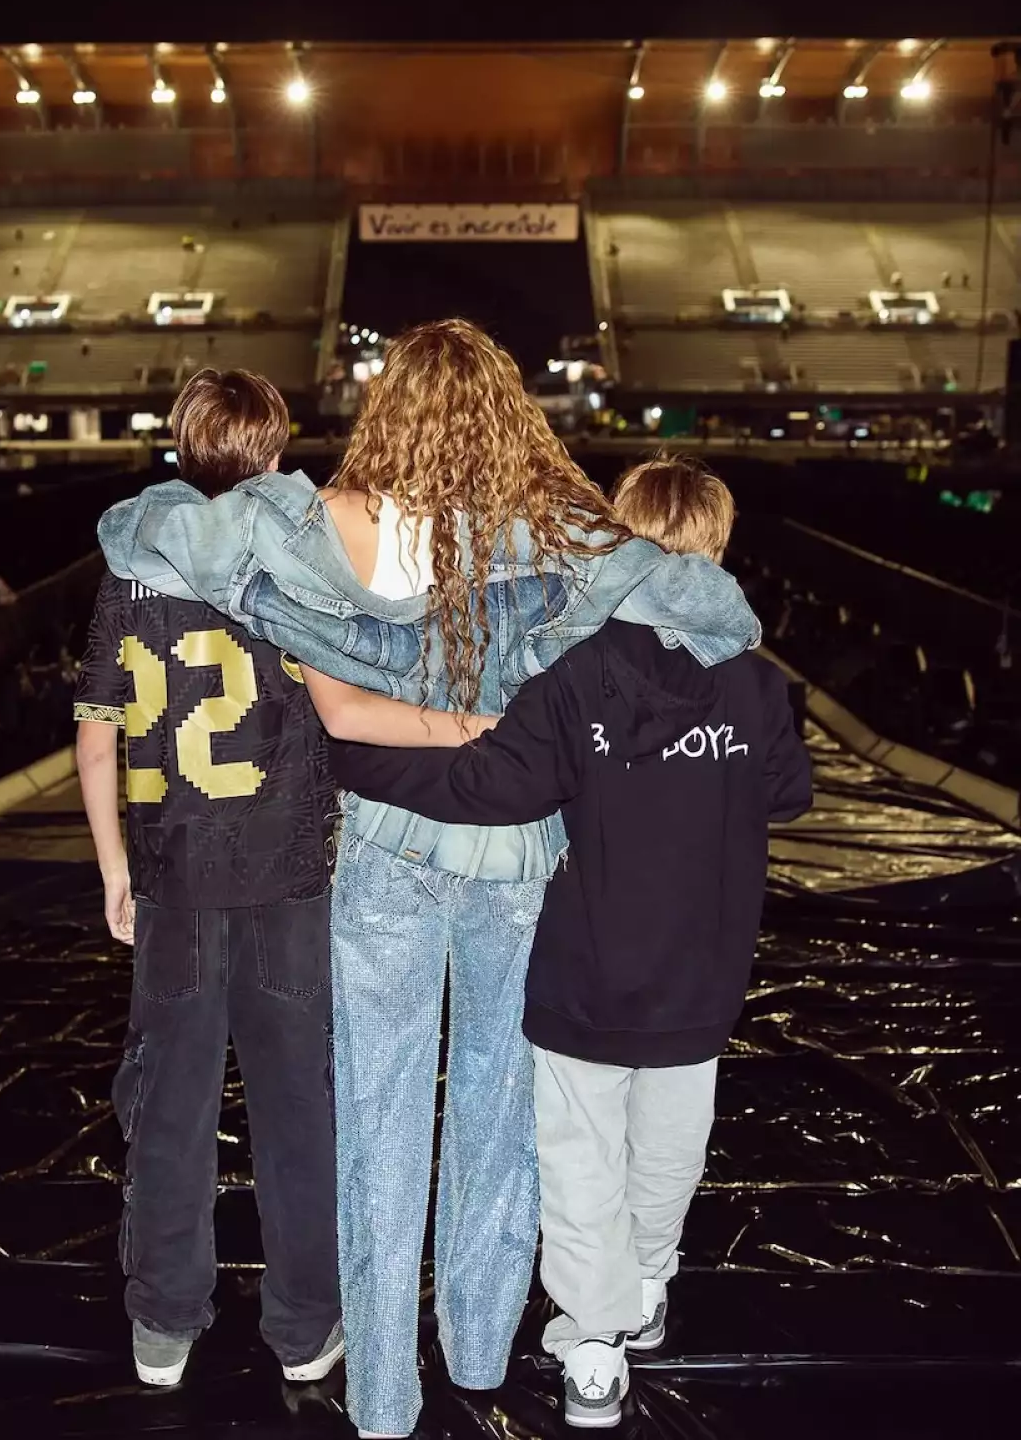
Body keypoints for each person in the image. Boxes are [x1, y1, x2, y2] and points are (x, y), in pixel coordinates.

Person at [95, 326, 762, 1437]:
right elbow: (718, 617)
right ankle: (480, 1349)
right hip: (518, 856)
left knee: (376, 1121)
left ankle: (386, 1399)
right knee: (500, 1117)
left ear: (386, 407)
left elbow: (140, 534)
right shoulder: (565, 535)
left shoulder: (320, 527)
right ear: (512, 412)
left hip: (388, 854)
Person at [329, 456, 812, 1429]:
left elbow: (484, 785)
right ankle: (644, 1292)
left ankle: (593, 1347)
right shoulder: (756, 688)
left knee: (581, 1160)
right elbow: (790, 793)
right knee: (670, 1150)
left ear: (617, 543)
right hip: (699, 981)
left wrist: (352, 753)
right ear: (717, 546)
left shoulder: (573, 672)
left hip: (581, 978)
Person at [73, 369, 484, 1391]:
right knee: (299, 1110)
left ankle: (164, 1321)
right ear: (274, 448)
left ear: (181, 443)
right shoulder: (302, 562)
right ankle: (306, 1329)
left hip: (174, 877)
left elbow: (94, 737)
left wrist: (115, 868)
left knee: (170, 1107)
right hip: (291, 874)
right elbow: (363, 698)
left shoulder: (129, 566)